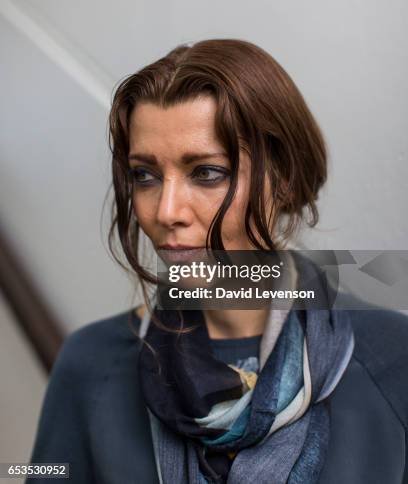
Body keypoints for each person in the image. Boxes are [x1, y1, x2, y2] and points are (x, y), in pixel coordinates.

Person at [28, 39, 408, 483]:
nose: (166, 210)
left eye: (206, 173)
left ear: (282, 179)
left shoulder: (392, 357)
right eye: (144, 175)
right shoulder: (91, 365)